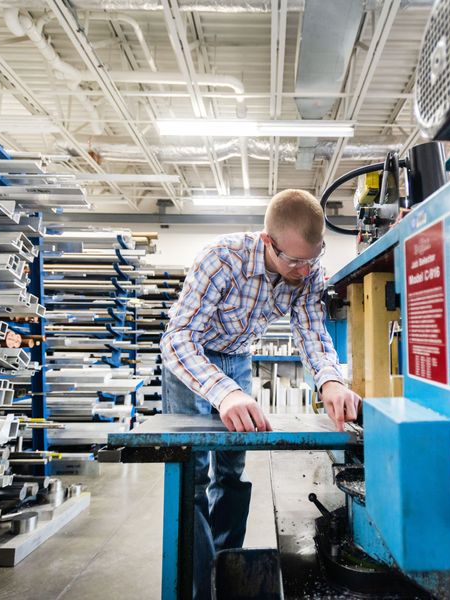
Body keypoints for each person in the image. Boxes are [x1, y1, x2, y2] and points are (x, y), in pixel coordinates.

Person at [160, 188, 361, 599]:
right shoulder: (221, 259)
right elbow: (177, 339)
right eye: (295, 261)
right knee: (193, 477)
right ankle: (199, 588)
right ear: (268, 242)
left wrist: (331, 381)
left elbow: (311, 333)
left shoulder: (307, 270)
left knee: (231, 473)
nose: (305, 271)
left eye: (313, 258)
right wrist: (225, 393)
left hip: (236, 358)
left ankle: (224, 567)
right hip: (192, 362)